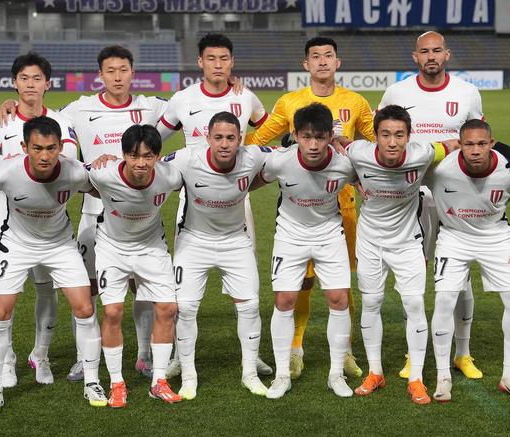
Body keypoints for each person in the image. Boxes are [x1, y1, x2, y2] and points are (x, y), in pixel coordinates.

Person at [0, 45, 168, 381]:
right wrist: (12, 105)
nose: (117, 77)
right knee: (86, 289)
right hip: (94, 208)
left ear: (133, 72)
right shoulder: (78, 109)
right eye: (110, 71)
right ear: (100, 75)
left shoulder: (152, 107)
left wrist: (230, 83)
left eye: (123, 70)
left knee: (141, 285)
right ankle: (82, 359)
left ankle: (144, 354)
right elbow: (42, 117)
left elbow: (193, 108)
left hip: (137, 211)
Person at [245, 36, 375, 380]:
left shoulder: (356, 102)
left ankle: (345, 353)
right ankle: (294, 350)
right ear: (306, 64)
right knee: (300, 283)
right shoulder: (290, 102)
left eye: (328, 56)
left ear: (338, 62)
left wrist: (349, 144)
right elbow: (258, 140)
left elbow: (378, 143)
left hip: (342, 206)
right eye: (315, 56)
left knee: (342, 285)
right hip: (299, 204)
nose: (322, 61)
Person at [156, 32, 272, 378]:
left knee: (246, 287)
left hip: (237, 201)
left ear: (232, 62)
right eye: (211, 58)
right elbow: (154, 137)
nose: (218, 65)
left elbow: (271, 130)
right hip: (193, 202)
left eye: (224, 59)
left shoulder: (245, 97)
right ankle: (179, 356)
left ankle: (252, 356)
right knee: (184, 292)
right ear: (200, 62)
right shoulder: (182, 99)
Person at [0, 116, 106, 416]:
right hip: (15, 244)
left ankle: (93, 382)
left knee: (85, 308)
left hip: (60, 245)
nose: (44, 156)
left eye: (51, 148)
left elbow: (99, 188)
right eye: (37, 148)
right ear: (25, 147)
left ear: (60, 147)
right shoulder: (6, 171)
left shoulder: (74, 172)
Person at [377, 31, 486, 379]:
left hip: (456, 196)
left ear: (447, 54)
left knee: (460, 275)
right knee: (414, 276)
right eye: (424, 51)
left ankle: (462, 353)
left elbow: (478, 139)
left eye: (437, 50)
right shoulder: (397, 93)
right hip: (408, 197)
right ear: (415, 57)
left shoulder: (467, 93)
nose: (431, 56)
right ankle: (414, 354)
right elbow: (380, 136)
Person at [347, 105, 456, 405]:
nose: (392, 142)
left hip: (408, 242)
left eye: (399, 135)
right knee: (371, 303)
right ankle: (375, 373)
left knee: (414, 304)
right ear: (375, 137)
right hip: (370, 242)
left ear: (409, 136)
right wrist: (353, 179)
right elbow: (339, 149)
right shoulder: (359, 153)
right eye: (385, 135)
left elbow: (452, 144)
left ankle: (416, 378)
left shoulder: (422, 153)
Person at [0, 51, 78, 387]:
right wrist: (28, 164)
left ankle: (41, 355)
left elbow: (69, 158)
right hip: (5, 219)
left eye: (37, 78)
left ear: (48, 83)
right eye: (24, 78)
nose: (31, 84)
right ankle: (7, 359)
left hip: (49, 219)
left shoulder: (61, 121)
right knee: (2, 295)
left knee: (46, 290)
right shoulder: (1, 118)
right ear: (15, 82)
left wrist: (23, 162)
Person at [163, 112, 272, 400]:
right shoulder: (186, 159)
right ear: (207, 138)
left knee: (250, 306)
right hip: (193, 241)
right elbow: (150, 167)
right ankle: (188, 376)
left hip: (235, 242)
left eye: (231, 138)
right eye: (219, 137)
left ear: (240, 139)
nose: (225, 144)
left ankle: (249, 373)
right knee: (185, 308)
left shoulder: (253, 156)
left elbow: (288, 155)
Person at [254, 103, 357, 399]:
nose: (313, 145)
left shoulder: (345, 165)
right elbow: (253, 182)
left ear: (330, 137)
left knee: (338, 299)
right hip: (290, 235)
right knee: (285, 300)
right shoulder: (280, 161)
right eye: (306, 137)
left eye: (320, 137)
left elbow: (369, 181)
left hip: (329, 234)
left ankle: (336, 375)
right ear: (296, 135)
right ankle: (282, 375)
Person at [429, 119, 510, 402]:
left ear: (492, 144)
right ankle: (442, 377)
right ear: (459, 145)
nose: (475, 150)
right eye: (469, 144)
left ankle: (509, 377)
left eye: (482, 144)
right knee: (444, 299)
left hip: (496, 236)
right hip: (453, 237)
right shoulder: (441, 168)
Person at [88, 125, 183, 407]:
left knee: (167, 309)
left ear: (158, 156)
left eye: (148, 156)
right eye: (133, 155)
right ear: (123, 155)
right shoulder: (102, 174)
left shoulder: (170, 176)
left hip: (151, 247)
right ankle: (117, 383)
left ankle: (159, 381)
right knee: (112, 312)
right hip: (111, 248)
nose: (140, 163)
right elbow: (71, 175)